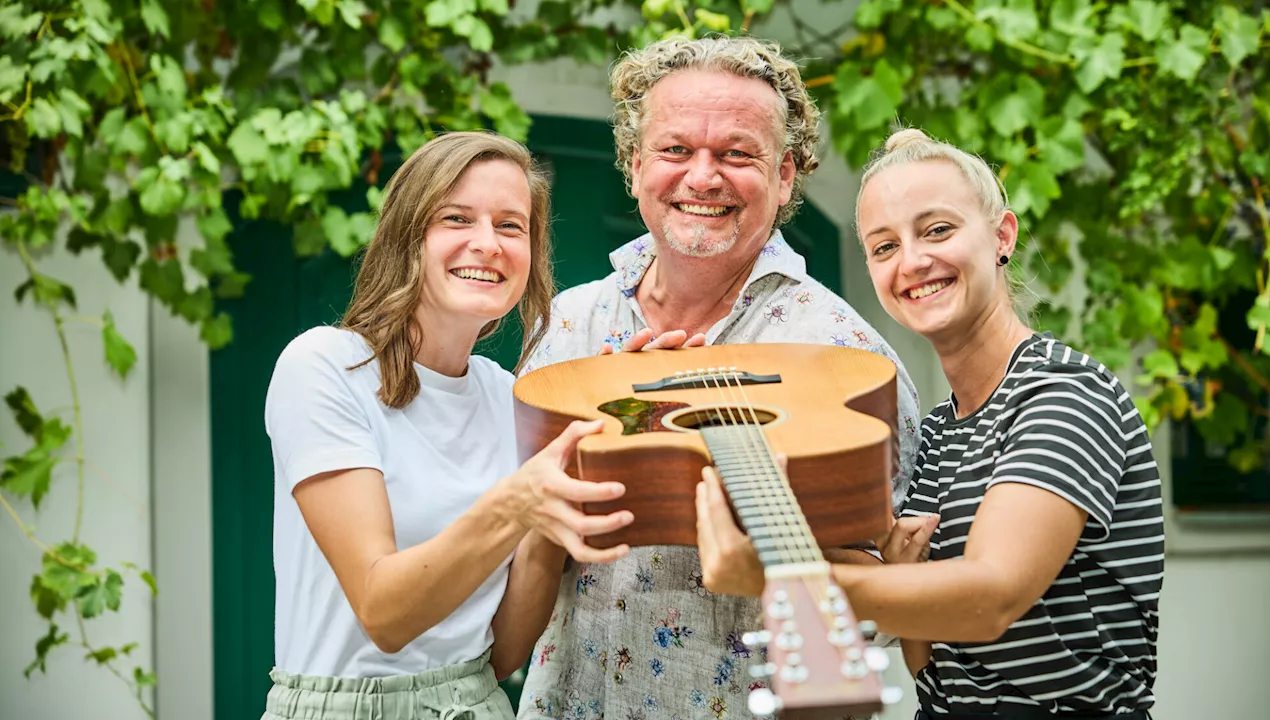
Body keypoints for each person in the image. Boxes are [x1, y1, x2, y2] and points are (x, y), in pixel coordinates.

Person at [515, 36, 922, 720]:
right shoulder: (568, 327)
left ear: (786, 175)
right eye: (676, 150)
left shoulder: (847, 355)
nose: (703, 178)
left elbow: (894, 588)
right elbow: (517, 555)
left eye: (737, 154)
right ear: (636, 165)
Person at [695, 128, 1163, 719]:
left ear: (1002, 235)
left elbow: (990, 597)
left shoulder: (1064, 392)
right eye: (884, 246)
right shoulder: (941, 432)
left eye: (938, 230)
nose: (913, 262)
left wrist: (780, 579)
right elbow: (935, 665)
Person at [260, 131, 635, 720]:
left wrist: (587, 435)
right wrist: (518, 503)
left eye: (511, 227)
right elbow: (384, 614)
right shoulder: (324, 366)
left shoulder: (504, 395)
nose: (487, 244)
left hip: (477, 704)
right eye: (456, 218)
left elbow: (504, 653)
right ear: (408, 236)